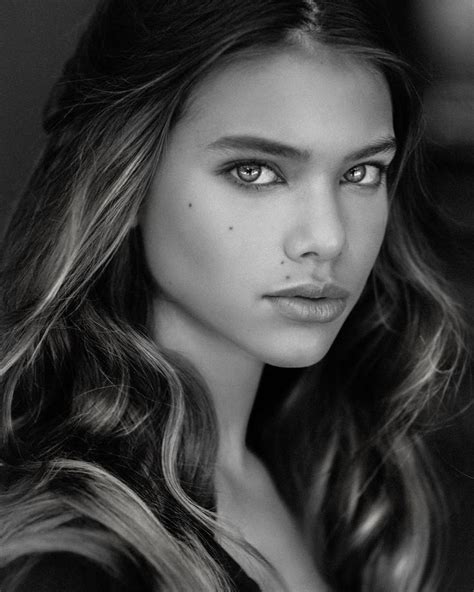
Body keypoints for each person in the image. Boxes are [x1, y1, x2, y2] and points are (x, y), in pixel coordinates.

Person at [0, 0, 466, 590]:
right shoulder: (67, 559)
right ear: (126, 176)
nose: (327, 237)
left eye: (361, 173)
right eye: (255, 171)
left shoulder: (347, 479)